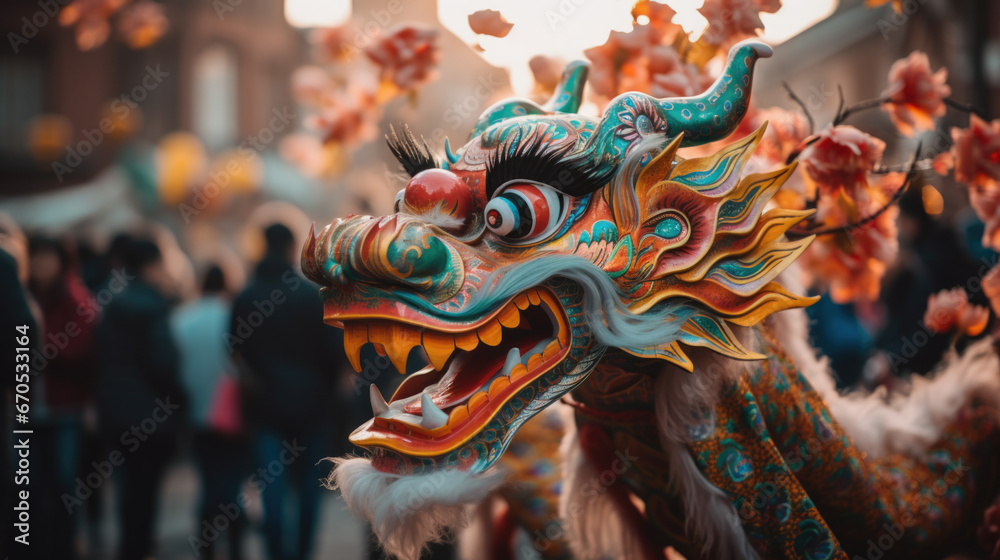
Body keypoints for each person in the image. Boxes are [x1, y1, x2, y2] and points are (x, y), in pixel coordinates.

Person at [229, 223, 344, 560]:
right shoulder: (311, 295)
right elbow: (334, 354)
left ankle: (277, 551)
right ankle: (303, 552)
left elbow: (234, 351)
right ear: (293, 248)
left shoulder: (246, 296)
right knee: (311, 485)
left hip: (265, 407)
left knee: (271, 485)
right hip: (312, 406)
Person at [95, 237, 186, 560]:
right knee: (146, 493)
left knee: (127, 489)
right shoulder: (154, 304)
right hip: (153, 418)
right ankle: (140, 547)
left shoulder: (110, 305)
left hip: (117, 416)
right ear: (151, 266)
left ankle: (128, 547)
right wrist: (179, 397)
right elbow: (163, 362)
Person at [26, 235, 100, 560]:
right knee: (29, 487)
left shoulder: (75, 300)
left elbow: (81, 350)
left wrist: (42, 353)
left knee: (64, 485)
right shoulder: (22, 296)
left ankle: (66, 547)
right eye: (36, 257)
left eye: (47, 257)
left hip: (65, 408)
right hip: (27, 411)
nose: (41, 265)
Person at [171, 264, 246, 560]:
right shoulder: (234, 316)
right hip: (231, 416)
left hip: (195, 415)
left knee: (207, 482)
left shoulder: (181, 319)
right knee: (233, 483)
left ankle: (207, 548)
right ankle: (237, 548)